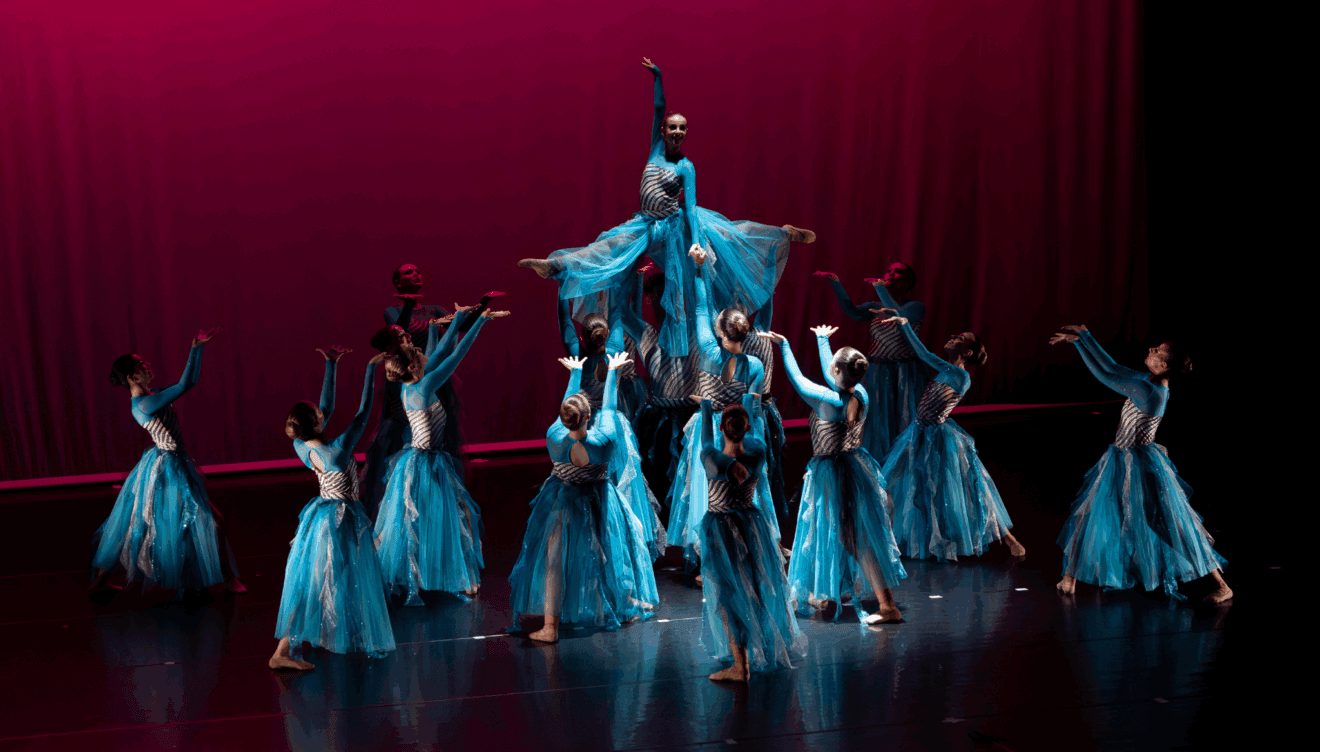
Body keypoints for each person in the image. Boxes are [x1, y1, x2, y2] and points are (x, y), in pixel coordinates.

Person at [517, 57, 814, 361]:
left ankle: (783, 234)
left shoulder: (686, 166)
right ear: (663, 130)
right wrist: (657, 77)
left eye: (683, 128)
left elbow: (693, 206)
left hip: (675, 228)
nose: (678, 132)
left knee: (722, 248)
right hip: (646, 224)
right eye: (673, 127)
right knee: (609, 248)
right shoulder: (655, 150)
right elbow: (659, 107)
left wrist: (696, 242)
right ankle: (556, 266)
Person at [1050, 326, 1230, 602]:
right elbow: (1112, 366)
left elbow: (1106, 375)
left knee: (1165, 523)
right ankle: (1069, 578)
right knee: (1090, 514)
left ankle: (1220, 584)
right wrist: (1084, 337)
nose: (1150, 350)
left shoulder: (1148, 391)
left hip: (1140, 465)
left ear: (1165, 365)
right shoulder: (1147, 380)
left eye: (1157, 351)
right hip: (1120, 459)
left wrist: (1081, 343)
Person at [508, 353, 659, 643]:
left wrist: (575, 373)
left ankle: (550, 627)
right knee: (614, 550)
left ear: (563, 419)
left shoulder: (554, 437)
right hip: (600, 500)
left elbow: (565, 409)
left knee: (555, 559)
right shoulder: (605, 439)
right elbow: (611, 408)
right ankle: (625, 604)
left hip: (563, 500)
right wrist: (612, 372)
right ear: (589, 417)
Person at [758, 327, 905, 623]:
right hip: (854, 465)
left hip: (834, 472)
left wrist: (785, 344)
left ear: (837, 369)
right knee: (837, 532)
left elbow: (798, 380)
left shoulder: (826, 400)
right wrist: (822, 340)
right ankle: (828, 591)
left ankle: (887, 605)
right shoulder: (859, 392)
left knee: (852, 537)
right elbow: (836, 373)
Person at [91, 328, 244, 597]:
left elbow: (189, 382)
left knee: (135, 523)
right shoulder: (144, 405)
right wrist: (195, 349)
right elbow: (185, 385)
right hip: (169, 468)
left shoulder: (151, 396)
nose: (148, 365)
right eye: (142, 364)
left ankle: (100, 582)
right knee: (212, 522)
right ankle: (229, 578)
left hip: (169, 463)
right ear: (132, 377)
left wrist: (198, 349)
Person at [270, 346, 395, 670]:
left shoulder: (302, 445)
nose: (324, 411)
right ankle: (284, 651)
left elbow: (325, 406)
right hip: (339, 517)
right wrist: (371, 370)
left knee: (327, 576)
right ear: (316, 422)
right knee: (327, 577)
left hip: (323, 515)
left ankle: (298, 642)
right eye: (319, 413)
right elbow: (364, 412)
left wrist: (331, 364)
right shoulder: (337, 451)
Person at [374, 308, 506, 604]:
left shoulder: (413, 384)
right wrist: (480, 323)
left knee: (432, 519)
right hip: (426, 463)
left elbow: (442, 349)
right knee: (446, 518)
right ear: (412, 366)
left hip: (421, 460)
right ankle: (457, 577)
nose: (422, 353)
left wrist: (453, 321)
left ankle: (443, 575)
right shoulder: (423, 385)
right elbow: (456, 353)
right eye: (416, 352)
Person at [877, 312, 1025, 561]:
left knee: (970, 491)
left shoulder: (960, 375)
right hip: (917, 433)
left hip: (939, 439)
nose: (953, 337)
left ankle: (1009, 539)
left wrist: (905, 327)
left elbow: (924, 355)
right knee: (888, 480)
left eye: (959, 338)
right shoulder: (945, 370)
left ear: (967, 353)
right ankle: (883, 534)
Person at [668, 247, 777, 572]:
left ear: (720, 330)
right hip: (739, 430)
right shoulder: (754, 364)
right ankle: (743, 551)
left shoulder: (708, 350)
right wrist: (755, 445)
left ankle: (707, 560)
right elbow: (752, 409)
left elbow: (701, 307)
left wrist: (700, 269)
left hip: (710, 428)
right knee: (742, 489)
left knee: (707, 490)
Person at [695, 396, 806, 680]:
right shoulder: (758, 452)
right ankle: (762, 648)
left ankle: (739, 665)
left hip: (721, 529)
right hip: (751, 524)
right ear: (744, 429)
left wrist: (707, 407)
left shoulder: (712, 459)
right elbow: (756, 432)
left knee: (728, 593)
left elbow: (705, 439)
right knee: (757, 587)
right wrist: (749, 403)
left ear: (723, 428)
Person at [815, 265, 929, 460]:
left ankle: (902, 464)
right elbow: (851, 311)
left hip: (905, 373)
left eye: (898, 272)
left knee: (903, 418)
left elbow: (898, 314)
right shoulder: (874, 305)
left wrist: (880, 288)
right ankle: (877, 463)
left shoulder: (916, 307)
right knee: (877, 421)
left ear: (909, 281)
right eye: (889, 270)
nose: (891, 273)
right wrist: (836, 282)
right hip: (877, 371)